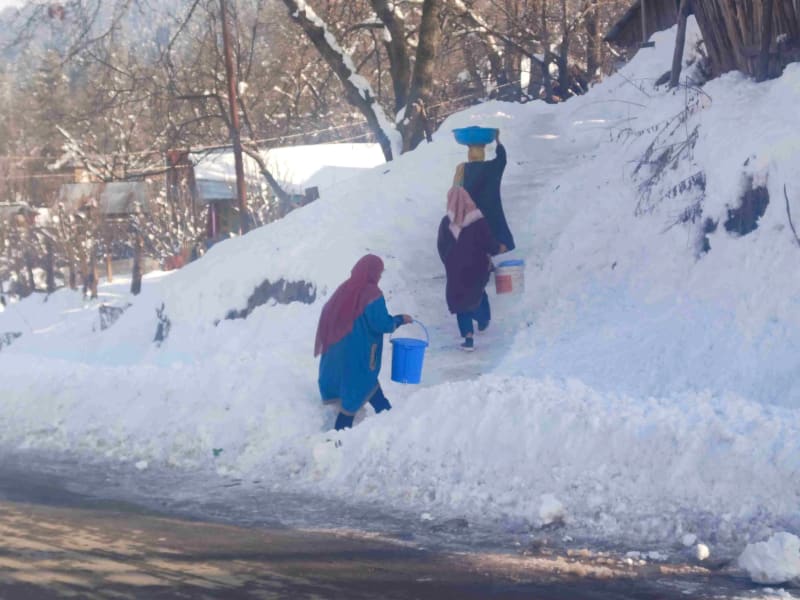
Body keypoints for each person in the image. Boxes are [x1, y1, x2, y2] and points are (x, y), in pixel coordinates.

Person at [315, 254, 412, 430]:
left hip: (339, 351)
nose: (380, 277)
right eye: (379, 273)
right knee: (356, 394)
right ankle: (339, 438)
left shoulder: (345, 289)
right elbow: (381, 323)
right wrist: (400, 320)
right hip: (359, 352)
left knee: (368, 386)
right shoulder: (372, 294)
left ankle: (391, 419)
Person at [438, 186, 506, 351]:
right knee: (477, 292)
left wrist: (449, 261)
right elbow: (488, 242)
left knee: (460, 300)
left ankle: (468, 338)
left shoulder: (446, 222)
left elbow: (441, 246)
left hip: (456, 270)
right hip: (478, 267)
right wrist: (498, 248)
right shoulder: (478, 220)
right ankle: (483, 318)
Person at [453, 129, 515, 252]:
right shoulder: (491, 168)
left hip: (471, 215)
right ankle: (489, 260)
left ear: (469, 153)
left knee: (475, 241)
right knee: (492, 238)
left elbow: (456, 191)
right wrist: (497, 140)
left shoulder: (462, 169)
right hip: (491, 213)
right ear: (483, 153)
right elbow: (502, 159)